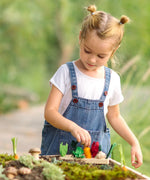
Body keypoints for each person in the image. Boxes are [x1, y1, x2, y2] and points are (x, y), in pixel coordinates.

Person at [41, 5, 143, 168]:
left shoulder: (113, 80)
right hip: (58, 158)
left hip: (94, 162)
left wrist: (134, 142)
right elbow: (50, 112)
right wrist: (72, 127)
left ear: (113, 50)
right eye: (87, 51)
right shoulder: (66, 72)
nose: (92, 60)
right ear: (80, 38)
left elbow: (114, 117)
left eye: (101, 56)